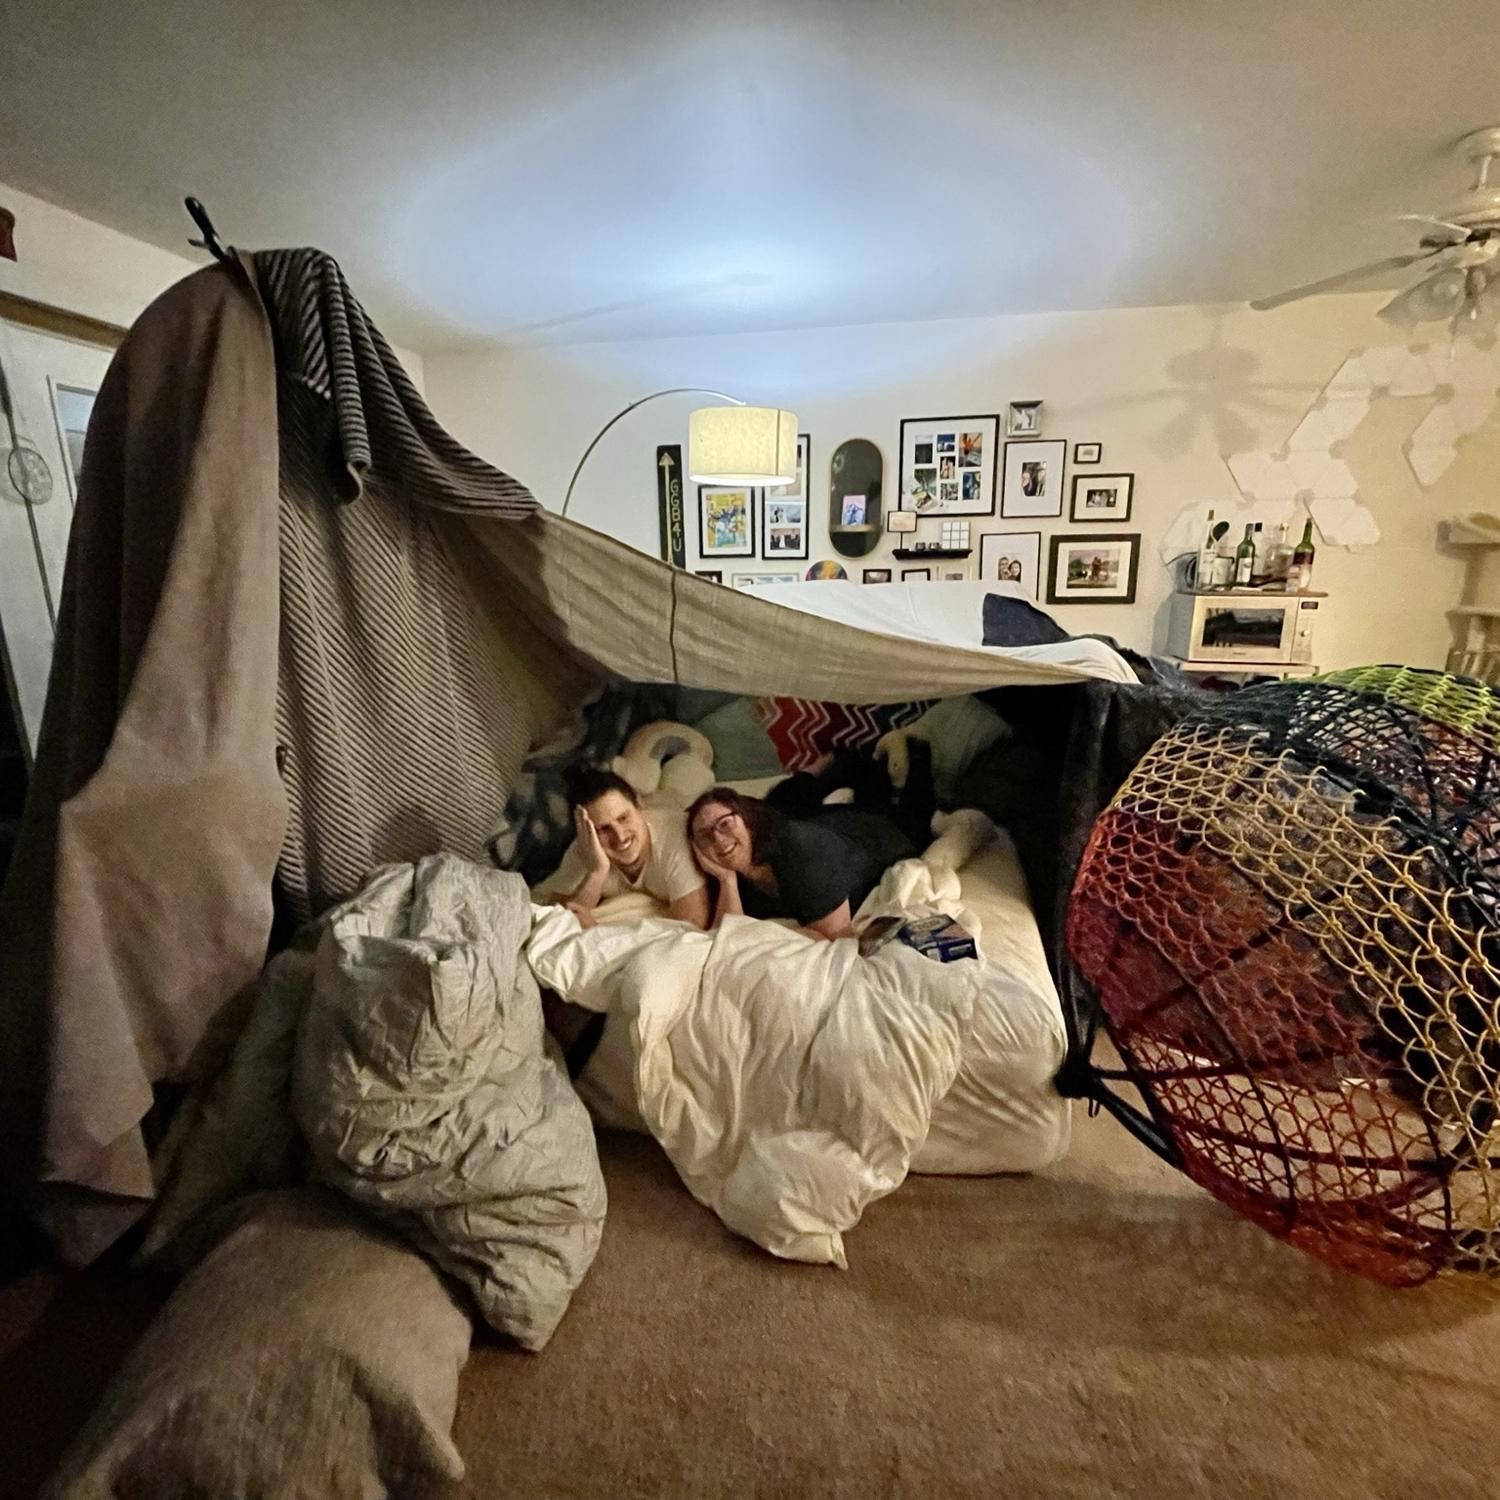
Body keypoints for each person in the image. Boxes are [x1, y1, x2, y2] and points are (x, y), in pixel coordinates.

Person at [686, 744, 935, 941]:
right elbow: (724, 939)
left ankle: (906, 753)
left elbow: (837, 939)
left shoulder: (802, 851)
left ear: (747, 820)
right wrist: (726, 880)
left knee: (917, 820)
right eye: (705, 835)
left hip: (884, 834)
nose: (718, 838)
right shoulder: (731, 876)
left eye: (725, 823)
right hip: (830, 823)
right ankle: (849, 769)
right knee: (781, 803)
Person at [537, 764, 709, 928]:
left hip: (672, 806)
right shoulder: (586, 847)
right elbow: (557, 920)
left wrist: (596, 930)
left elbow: (692, 925)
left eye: (623, 818)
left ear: (640, 807)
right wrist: (597, 872)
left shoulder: (675, 835)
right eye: (604, 829)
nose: (619, 836)